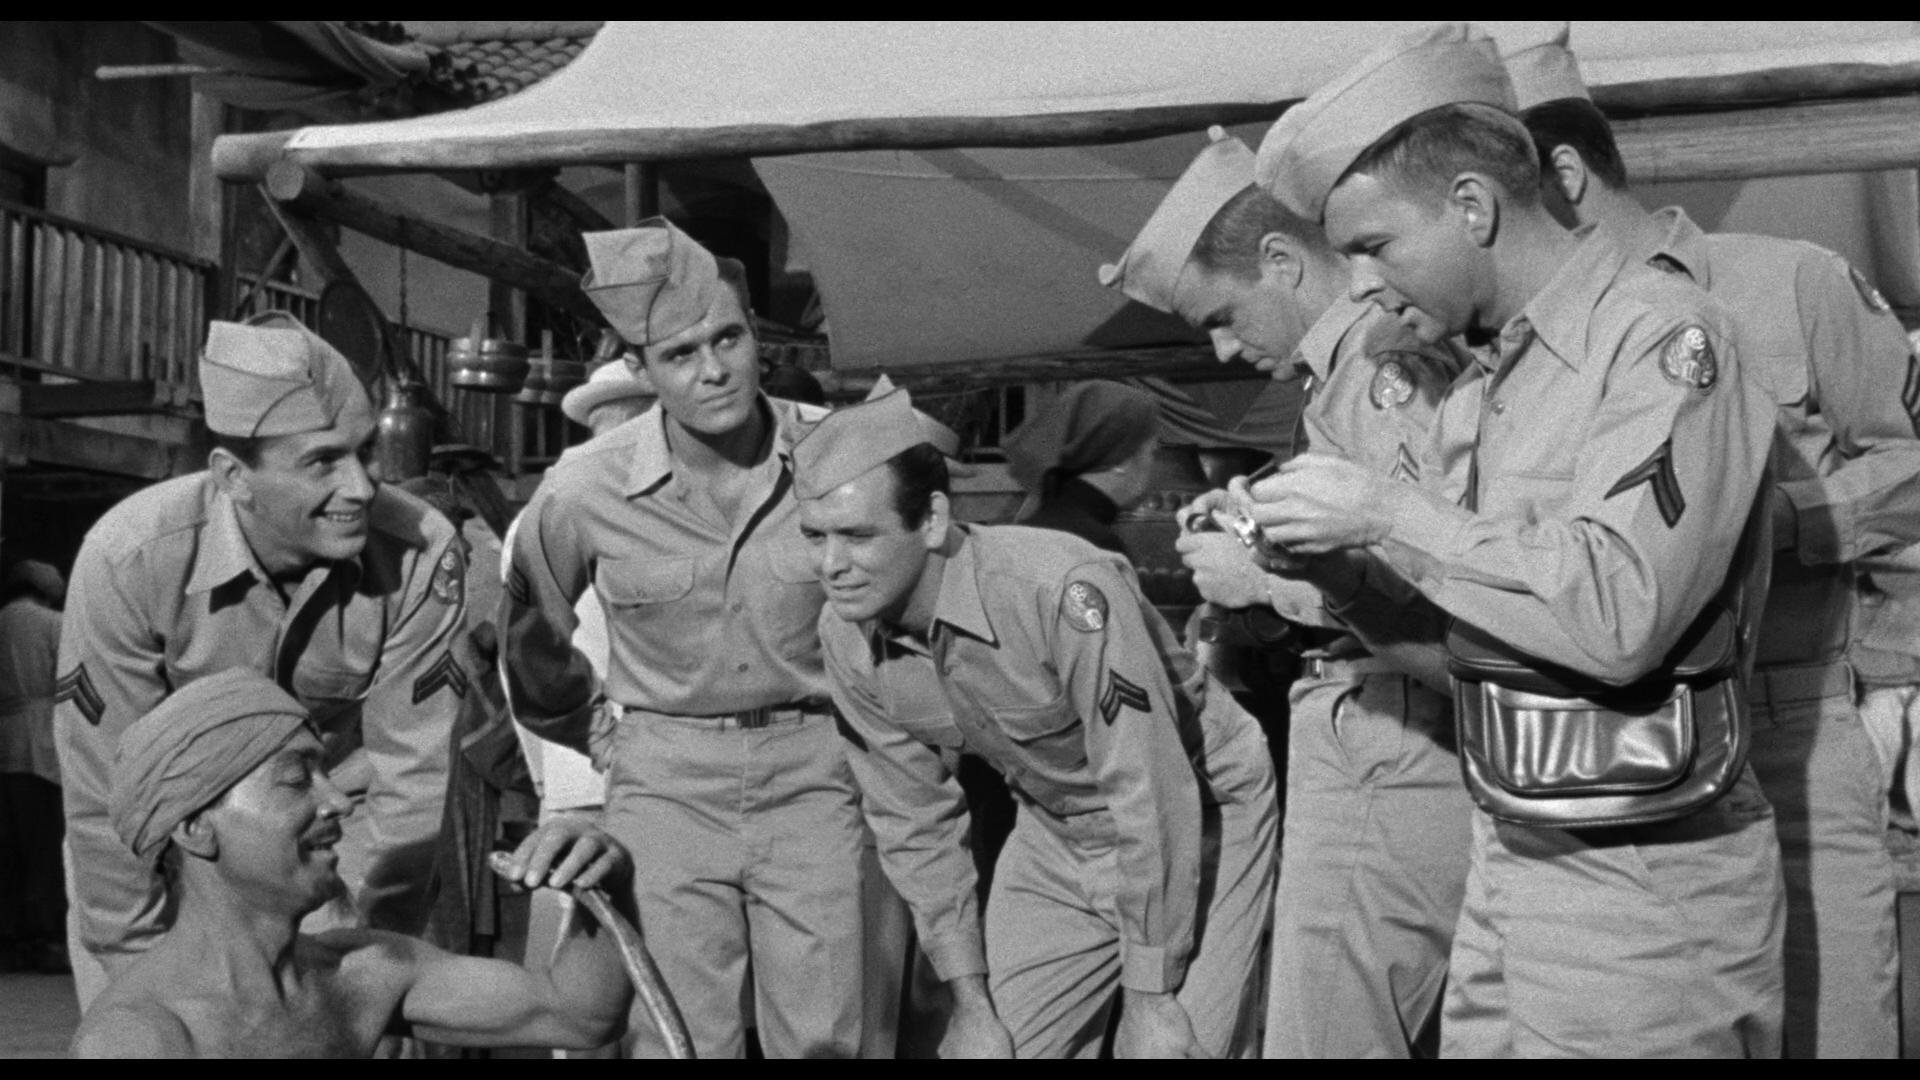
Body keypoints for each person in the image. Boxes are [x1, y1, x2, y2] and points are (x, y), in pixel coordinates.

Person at [1242, 23, 1784, 1056]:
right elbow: (1472, 653)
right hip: (1511, 846)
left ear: (1475, 208)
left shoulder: (1664, 339)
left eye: (1372, 247)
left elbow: (1621, 616)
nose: (1361, 287)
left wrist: (1387, 511)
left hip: (1645, 886)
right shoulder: (1483, 385)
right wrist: (1340, 575)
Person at [1502, 29, 1920, 1057]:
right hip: (1591, 756)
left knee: (1832, 1031)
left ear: (1561, 176)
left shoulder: (1788, 283)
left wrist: (1778, 523)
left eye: (1491, 201)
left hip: (1786, 729)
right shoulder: (1523, 347)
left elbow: (1913, 472)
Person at [1103, 127, 1469, 1057]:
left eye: (1224, 315)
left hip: (1393, 729)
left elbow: (1431, 575)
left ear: (1279, 258)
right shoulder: (1345, 380)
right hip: (1386, 721)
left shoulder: (1378, 373)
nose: (1226, 349)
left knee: (1328, 1035)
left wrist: (1260, 582)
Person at [795, 383, 1278, 1058]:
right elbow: (912, 820)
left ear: (932, 520)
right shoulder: (847, 637)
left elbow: (1150, 784)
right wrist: (970, 1002)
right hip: (1056, 826)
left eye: (856, 536)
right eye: (813, 537)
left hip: (1200, 810)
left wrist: (1149, 998)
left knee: (1171, 1048)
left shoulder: (1059, 590)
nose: (830, 566)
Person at [501, 219, 883, 1058]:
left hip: (815, 773)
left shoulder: (836, 452)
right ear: (640, 370)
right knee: (675, 1037)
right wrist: (593, 731)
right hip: (666, 784)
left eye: (729, 338)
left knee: (825, 1036)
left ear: (755, 336)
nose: (714, 369)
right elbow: (530, 640)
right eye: (680, 354)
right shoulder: (583, 488)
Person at [55, 312, 468, 1007]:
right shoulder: (130, 558)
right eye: (321, 462)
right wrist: (142, 981)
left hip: (331, 841)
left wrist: (372, 978)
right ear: (232, 477)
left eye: (365, 452)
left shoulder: (422, 554)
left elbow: (413, 782)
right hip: (171, 853)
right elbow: (105, 800)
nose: (363, 487)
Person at [71, 669, 633, 1059]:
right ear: (195, 828)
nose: (337, 800)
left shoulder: (366, 972)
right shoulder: (143, 1036)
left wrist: (610, 878)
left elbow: (579, 1013)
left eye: (325, 772)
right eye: (295, 780)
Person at [0, 559, 68, 974]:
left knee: (10, 849)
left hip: (4, 740)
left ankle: (11, 937)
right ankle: (46, 938)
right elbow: (72, 681)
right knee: (45, 845)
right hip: (42, 744)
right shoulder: (51, 623)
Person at [1002, 381, 1162, 555]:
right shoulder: (1094, 545)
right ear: (1122, 460)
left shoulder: (1034, 527)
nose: (1153, 464)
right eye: (1151, 452)